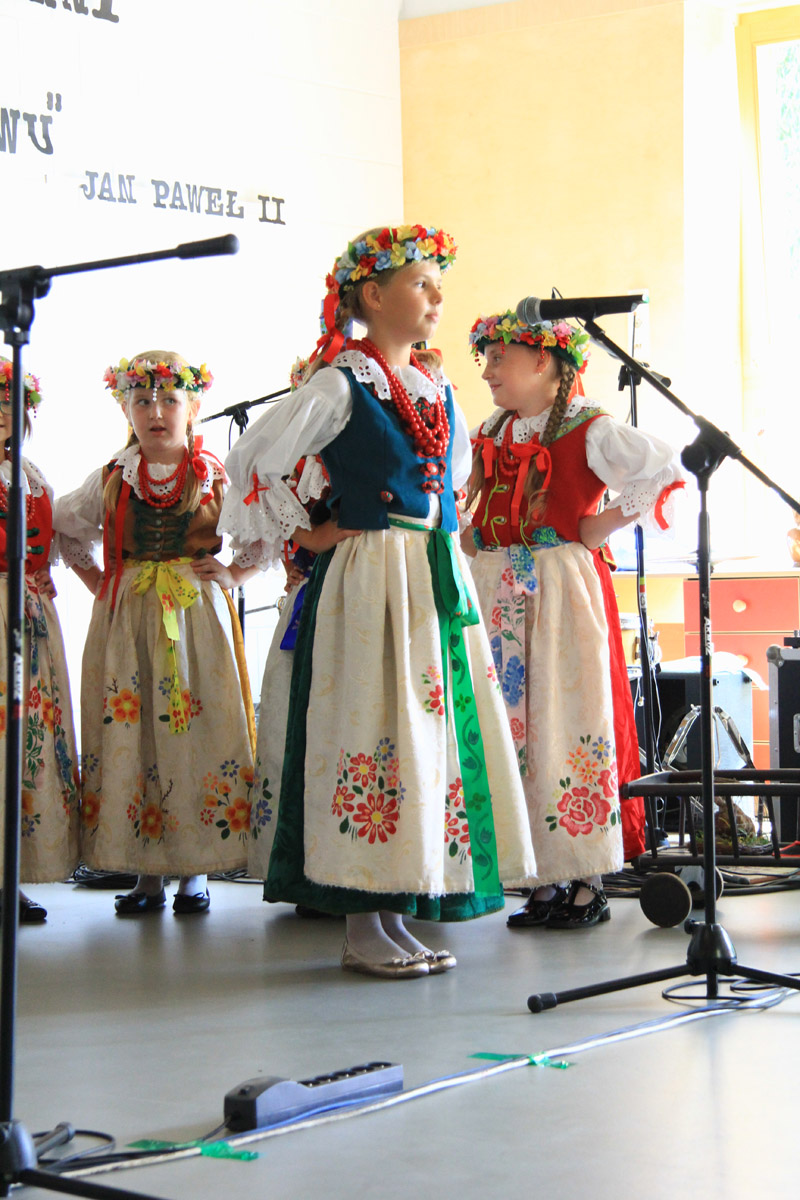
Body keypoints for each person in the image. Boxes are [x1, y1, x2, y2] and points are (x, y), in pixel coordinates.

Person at [219, 225, 535, 978]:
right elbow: (252, 462)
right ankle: (361, 922)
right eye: (422, 283)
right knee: (369, 728)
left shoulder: (435, 388)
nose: (436, 297)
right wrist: (310, 533)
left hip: (428, 576)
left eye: (436, 284)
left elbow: (449, 481)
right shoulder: (341, 383)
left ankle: (395, 911)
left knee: (421, 738)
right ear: (374, 294)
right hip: (369, 579)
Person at [464, 311, 684, 929]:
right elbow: (462, 494)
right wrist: (473, 535)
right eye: (485, 359)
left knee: (567, 719)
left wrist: (602, 524)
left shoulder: (590, 426)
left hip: (559, 585)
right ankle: (538, 876)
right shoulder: (491, 429)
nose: (487, 371)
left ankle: (586, 877)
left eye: (498, 358)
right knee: (514, 726)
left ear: (542, 361)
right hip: (498, 587)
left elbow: (663, 466)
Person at [53, 351, 258, 915]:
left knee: (195, 733)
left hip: (194, 617)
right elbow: (64, 526)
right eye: (142, 401)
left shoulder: (212, 475)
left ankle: (195, 872)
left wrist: (233, 573)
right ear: (126, 409)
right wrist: (101, 582)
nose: (156, 412)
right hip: (129, 622)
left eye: (169, 400)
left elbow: (262, 530)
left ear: (193, 407)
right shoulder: (113, 477)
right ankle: (148, 873)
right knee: (139, 731)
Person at [0, 358, 80, 923]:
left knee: (22, 741)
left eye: (8, 402)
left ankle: (13, 876)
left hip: (28, 616)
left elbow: (51, 544)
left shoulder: (30, 474)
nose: (1, 412)